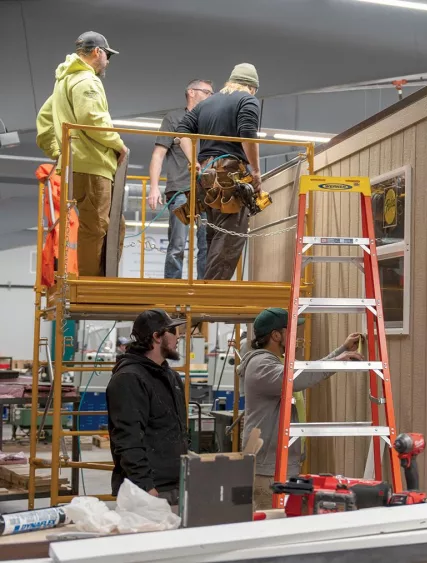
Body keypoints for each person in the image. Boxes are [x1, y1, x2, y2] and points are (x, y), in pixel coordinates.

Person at [239, 308, 364, 510]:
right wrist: (339, 361)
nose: (297, 336)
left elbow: (306, 369)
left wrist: (341, 350)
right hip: (268, 471)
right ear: (276, 335)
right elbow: (299, 377)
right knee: (272, 528)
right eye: (292, 330)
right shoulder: (261, 365)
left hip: (280, 465)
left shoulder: (275, 362)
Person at [36, 31, 129, 278]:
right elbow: (93, 119)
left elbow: (44, 120)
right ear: (97, 52)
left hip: (76, 165)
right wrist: (119, 144)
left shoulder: (64, 80)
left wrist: (59, 152)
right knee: (96, 227)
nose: (108, 61)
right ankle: (92, 283)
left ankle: (100, 279)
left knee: (110, 225)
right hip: (93, 165)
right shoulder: (87, 81)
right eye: (107, 55)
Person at [176, 63, 262, 281]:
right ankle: (207, 304)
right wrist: (257, 172)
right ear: (252, 87)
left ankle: (203, 299)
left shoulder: (206, 103)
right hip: (229, 178)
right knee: (229, 240)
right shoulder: (247, 100)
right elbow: (248, 136)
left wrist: (193, 160)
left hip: (205, 178)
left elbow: (181, 131)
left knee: (213, 237)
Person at [106, 309, 188, 505]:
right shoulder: (129, 379)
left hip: (177, 485)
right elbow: (127, 439)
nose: (179, 336)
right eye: (173, 331)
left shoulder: (170, 376)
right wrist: (145, 487)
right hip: (148, 491)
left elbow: (178, 431)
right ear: (157, 337)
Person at [148, 79, 214, 279]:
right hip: (179, 190)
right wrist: (153, 188)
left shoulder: (210, 122)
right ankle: (172, 289)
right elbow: (158, 155)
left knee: (206, 245)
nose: (211, 97)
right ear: (192, 92)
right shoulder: (173, 119)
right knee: (177, 244)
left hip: (207, 192)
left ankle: (204, 291)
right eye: (208, 92)